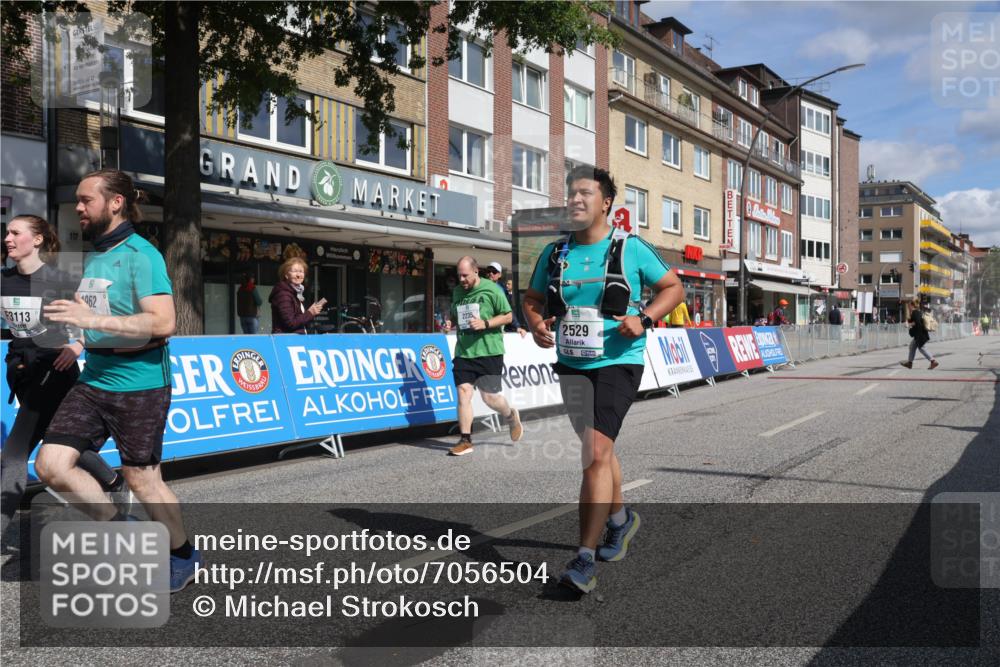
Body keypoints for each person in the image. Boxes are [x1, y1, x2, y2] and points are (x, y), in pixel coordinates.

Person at [36, 169, 201, 592]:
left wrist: (92, 319)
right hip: (95, 379)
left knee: (142, 478)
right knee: (50, 465)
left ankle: (183, 554)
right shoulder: (96, 256)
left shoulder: (142, 255)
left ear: (116, 202)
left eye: (86, 199)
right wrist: (71, 325)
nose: (78, 207)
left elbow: (163, 321)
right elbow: (96, 316)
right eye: (76, 199)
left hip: (141, 383)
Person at [522, 166, 684, 594]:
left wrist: (645, 318)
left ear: (606, 202)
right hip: (573, 362)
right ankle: (620, 520)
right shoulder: (556, 253)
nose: (575, 200)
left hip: (618, 360)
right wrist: (537, 324)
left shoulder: (630, 248)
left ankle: (583, 559)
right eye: (571, 193)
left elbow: (673, 288)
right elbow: (533, 298)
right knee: (599, 450)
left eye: (585, 193)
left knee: (595, 452)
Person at [1, 215, 124, 544]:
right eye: (7, 233)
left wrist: (77, 345)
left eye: (16, 233)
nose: (8, 238)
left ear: (37, 240)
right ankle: (112, 483)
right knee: (63, 442)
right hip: (23, 373)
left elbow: (93, 320)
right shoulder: (4, 281)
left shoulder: (59, 280)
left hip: (55, 371)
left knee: (14, 452)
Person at [444, 256, 523, 456]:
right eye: (459, 275)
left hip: (489, 350)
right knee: (463, 392)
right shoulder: (458, 292)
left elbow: (508, 315)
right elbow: (455, 315)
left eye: (465, 275)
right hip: (464, 351)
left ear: (476, 271)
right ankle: (465, 440)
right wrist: (449, 323)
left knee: (489, 398)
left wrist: (485, 323)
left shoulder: (492, 289)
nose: (462, 280)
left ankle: (510, 415)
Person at [270, 257, 325, 334]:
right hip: (286, 341)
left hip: (295, 340)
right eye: (295, 271)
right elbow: (291, 323)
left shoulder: (296, 293)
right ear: (286, 275)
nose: (298, 275)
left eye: (301, 271)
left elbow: (299, 321)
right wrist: (310, 313)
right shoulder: (283, 294)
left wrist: (311, 313)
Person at [485, 262, 527, 337]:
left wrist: (517, 327)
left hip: (495, 330)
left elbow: (508, 310)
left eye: (494, 271)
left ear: (499, 275)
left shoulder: (501, 290)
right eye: (488, 271)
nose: (491, 273)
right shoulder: (478, 287)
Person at [900, 298, 938, 370]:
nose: (908, 307)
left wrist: (909, 325)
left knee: (922, 348)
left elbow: (917, 323)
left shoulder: (915, 312)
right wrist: (909, 322)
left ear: (912, 305)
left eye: (909, 306)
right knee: (912, 346)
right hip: (920, 335)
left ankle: (933, 361)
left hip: (920, 335)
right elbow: (914, 321)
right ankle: (910, 363)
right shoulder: (917, 312)